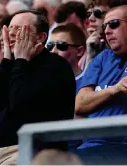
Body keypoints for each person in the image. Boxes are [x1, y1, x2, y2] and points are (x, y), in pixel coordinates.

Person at [0, 10, 76, 165]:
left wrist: (21, 60)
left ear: (41, 37)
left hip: (35, 152)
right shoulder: (12, 65)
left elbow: (20, 106)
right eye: (10, 29)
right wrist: (7, 61)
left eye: (20, 29)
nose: (12, 33)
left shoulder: (56, 66)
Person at [74, 5, 127, 164]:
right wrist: (114, 89)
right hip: (90, 147)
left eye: (114, 24)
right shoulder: (101, 58)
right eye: (105, 26)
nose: (107, 31)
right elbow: (80, 104)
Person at [48, 23, 86, 93]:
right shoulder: (42, 81)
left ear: (79, 51)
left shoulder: (88, 83)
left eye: (61, 45)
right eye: (50, 45)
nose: (53, 51)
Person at [85, 0, 111, 69]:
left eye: (97, 13)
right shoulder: (93, 45)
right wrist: (90, 56)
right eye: (89, 14)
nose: (90, 18)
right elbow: (86, 79)